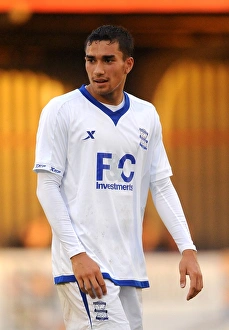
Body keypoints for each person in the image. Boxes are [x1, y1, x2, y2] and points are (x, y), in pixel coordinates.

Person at [33, 25, 203, 330]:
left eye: (108, 59)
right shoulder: (61, 111)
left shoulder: (146, 115)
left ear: (128, 64)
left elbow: (161, 185)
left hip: (129, 267)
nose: (97, 69)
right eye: (90, 60)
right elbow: (47, 186)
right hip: (85, 265)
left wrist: (187, 248)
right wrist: (77, 254)